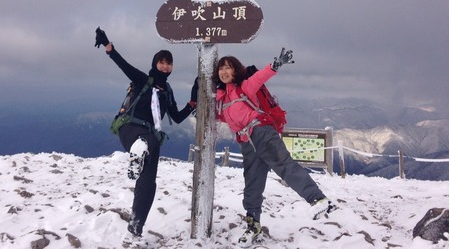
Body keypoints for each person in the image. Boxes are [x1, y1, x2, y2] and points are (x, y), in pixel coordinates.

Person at [212, 48, 336, 246]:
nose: (224, 71)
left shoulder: (244, 87)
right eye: (221, 69)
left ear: (236, 71)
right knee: (252, 184)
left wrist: (274, 66)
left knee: (283, 165)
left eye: (228, 68)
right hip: (247, 143)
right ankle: (253, 224)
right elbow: (223, 116)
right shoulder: (222, 99)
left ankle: (318, 199)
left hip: (261, 132)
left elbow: (259, 79)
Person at [95, 27, 198, 239]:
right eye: (162, 61)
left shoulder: (167, 92)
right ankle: (138, 150)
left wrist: (193, 100)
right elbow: (123, 65)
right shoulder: (143, 79)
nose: (165, 65)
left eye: (169, 62)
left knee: (148, 184)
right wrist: (108, 46)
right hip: (130, 128)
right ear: (155, 63)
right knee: (145, 141)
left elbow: (177, 117)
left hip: (151, 139)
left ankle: (135, 228)